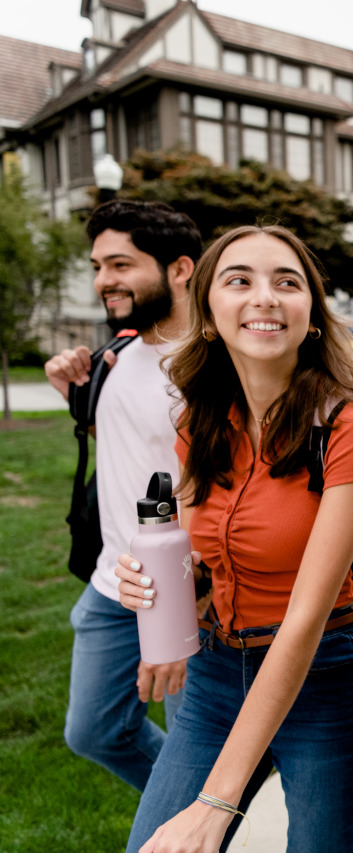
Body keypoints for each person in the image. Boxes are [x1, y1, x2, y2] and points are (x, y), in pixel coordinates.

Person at [113, 225, 353, 853]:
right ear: (209, 314)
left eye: (286, 282)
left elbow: (303, 621)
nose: (265, 296)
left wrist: (218, 801)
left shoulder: (348, 428)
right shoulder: (198, 422)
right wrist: (156, 589)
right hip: (216, 673)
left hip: (327, 679)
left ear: (311, 317)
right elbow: (201, 564)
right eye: (239, 280)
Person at [44, 200, 200, 791]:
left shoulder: (214, 366)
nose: (104, 280)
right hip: (111, 585)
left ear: (180, 268)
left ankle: (189, 811)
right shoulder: (117, 354)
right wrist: (74, 395)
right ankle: (191, 806)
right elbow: (134, 450)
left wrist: (183, 608)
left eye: (120, 264)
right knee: (93, 731)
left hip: (188, 589)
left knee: (193, 751)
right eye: (97, 266)